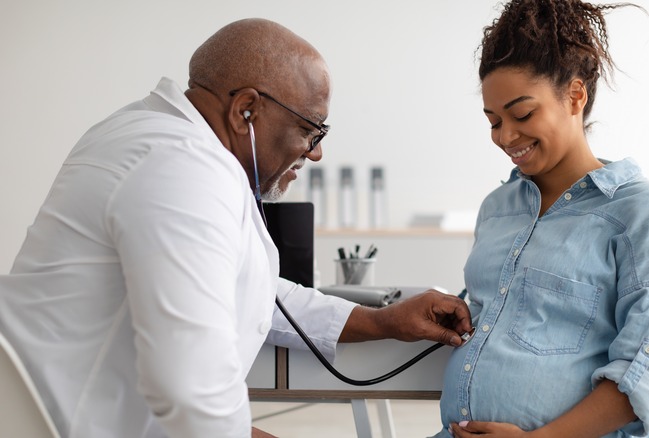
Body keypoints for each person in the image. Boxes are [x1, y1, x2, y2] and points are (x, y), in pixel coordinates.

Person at [0, 18, 473, 438]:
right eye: (313, 131)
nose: (315, 153)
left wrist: (379, 321)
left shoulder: (160, 139)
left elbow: (251, 290)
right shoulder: (183, 168)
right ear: (246, 109)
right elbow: (192, 387)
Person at [437, 1, 649, 437]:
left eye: (522, 115)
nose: (505, 137)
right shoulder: (497, 208)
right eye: (493, 121)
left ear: (575, 96)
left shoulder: (641, 212)